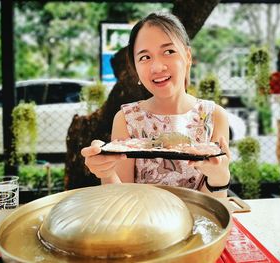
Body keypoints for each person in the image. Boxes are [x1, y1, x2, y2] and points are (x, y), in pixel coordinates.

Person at [81, 12, 231, 197]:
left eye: (168, 51)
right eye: (145, 57)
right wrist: (106, 172)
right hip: (141, 222)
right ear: (135, 67)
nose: (157, 67)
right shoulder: (127, 119)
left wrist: (219, 178)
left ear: (188, 56)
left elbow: (213, 211)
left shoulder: (214, 116)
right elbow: (120, 201)